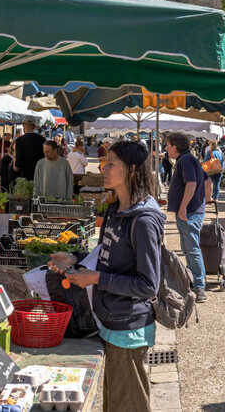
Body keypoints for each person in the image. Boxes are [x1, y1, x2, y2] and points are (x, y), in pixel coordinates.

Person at [48, 140, 164, 412]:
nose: (104, 168)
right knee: (114, 405)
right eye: (105, 162)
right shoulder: (114, 211)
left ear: (132, 170)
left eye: (112, 163)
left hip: (129, 328)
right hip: (108, 323)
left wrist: (96, 279)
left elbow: (148, 286)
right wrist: (74, 259)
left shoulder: (144, 220)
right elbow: (103, 252)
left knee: (128, 406)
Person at [166, 132, 208, 303]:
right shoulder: (189, 159)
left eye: (168, 145)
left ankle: (199, 286)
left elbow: (192, 183)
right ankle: (193, 281)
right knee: (188, 248)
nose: (166, 148)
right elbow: (206, 181)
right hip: (192, 210)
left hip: (189, 212)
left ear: (175, 146)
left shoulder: (185, 160)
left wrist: (183, 207)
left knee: (192, 249)